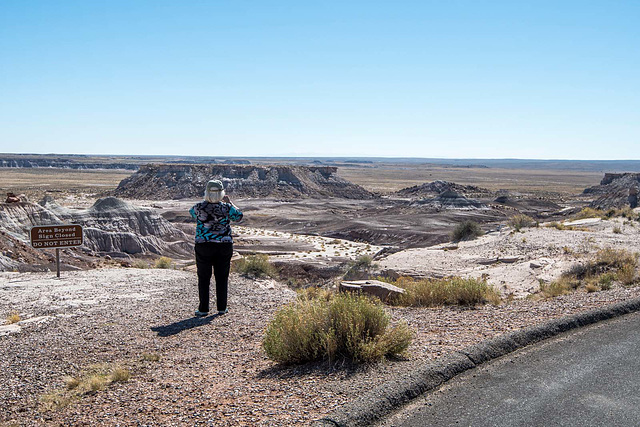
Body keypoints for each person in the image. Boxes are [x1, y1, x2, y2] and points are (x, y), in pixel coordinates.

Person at [189, 180, 243, 317]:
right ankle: (222, 308)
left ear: (206, 192)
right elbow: (239, 216)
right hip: (224, 245)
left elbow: (192, 214)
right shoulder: (226, 207)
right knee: (222, 277)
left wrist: (206, 202)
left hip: (203, 245)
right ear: (222, 193)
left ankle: (203, 309)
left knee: (203, 277)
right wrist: (229, 202)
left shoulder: (198, 207)